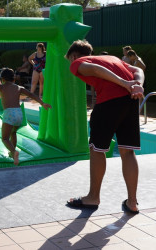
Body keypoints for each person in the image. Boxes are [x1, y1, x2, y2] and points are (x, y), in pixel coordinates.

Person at [65, 40, 144, 214]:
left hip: (108, 103)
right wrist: (137, 84)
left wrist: (124, 83)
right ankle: (132, 202)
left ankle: (93, 197)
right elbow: (138, 70)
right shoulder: (114, 58)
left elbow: (93, 70)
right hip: (129, 102)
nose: (72, 65)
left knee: (97, 149)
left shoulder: (78, 62)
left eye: (70, 60)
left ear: (74, 55)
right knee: (127, 151)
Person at [0, 68, 52, 165]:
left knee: (5, 138)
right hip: (19, 114)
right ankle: (12, 152)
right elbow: (31, 94)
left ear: (3, 79)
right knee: (13, 132)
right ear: (13, 79)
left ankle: (14, 153)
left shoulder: (2, 87)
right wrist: (42, 103)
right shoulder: (18, 87)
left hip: (9, 113)